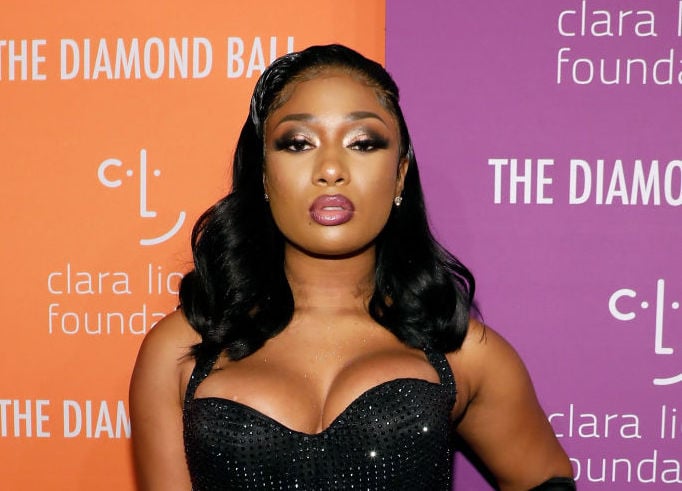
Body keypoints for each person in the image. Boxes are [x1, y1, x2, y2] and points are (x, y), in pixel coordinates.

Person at [129, 44, 575, 490]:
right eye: (298, 143)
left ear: (400, 175)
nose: (330, 169)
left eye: (362, 143)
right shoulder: (180, 350)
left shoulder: (461, 350)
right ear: (263, 175)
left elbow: (545, 479)